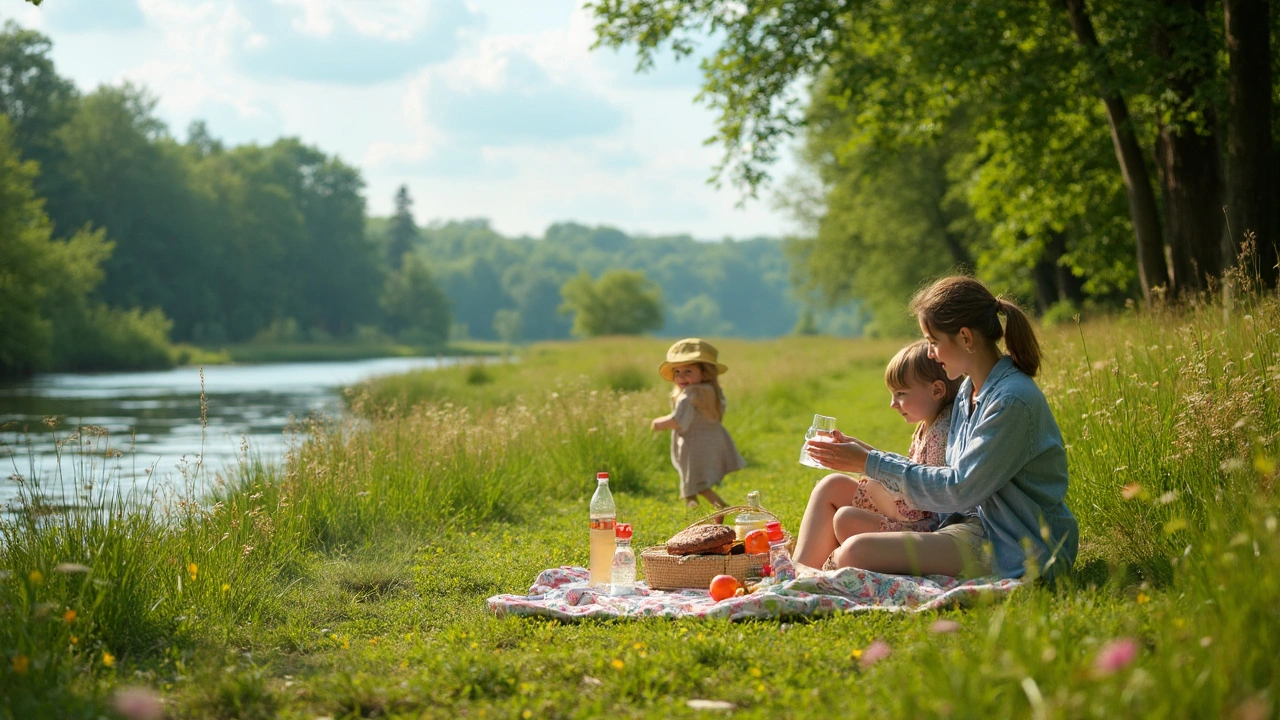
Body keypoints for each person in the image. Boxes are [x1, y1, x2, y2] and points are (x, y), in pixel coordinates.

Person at [795, 276, 1078, 582]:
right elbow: (940, 471)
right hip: (966, 527)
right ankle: (794, 579)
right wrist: (866, 455)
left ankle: (811, 578)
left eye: (933, 342)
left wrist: (867, 462)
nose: (929, 353)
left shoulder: (1011, 402)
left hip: (1011, 543)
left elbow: (958, 488)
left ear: (966, 338)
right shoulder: (971, 389)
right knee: (836, 502)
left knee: (854, 552)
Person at [825, 340, 961, 565]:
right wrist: (861, 449)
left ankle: (823, 566)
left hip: (926, 527)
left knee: (845, 519)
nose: (893, 404)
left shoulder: (941, 432)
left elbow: (930, 494)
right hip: (913, 513)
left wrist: (869, 467)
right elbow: (911, 469)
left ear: (937, 390)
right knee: (834, 492)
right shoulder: (928, 424)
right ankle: (804, 566)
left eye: (901, 393)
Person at [650, 338, 746, 512]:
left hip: (692, 444)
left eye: (688, 371)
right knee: (696, 482)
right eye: (677, 371)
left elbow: (677, 420)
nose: (681, 376)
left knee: (693, 483)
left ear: (705, 373)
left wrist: (657, 424)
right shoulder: (712, 392)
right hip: (709, 441)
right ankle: (712, 509)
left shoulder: (689, 395)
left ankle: (710, 510)